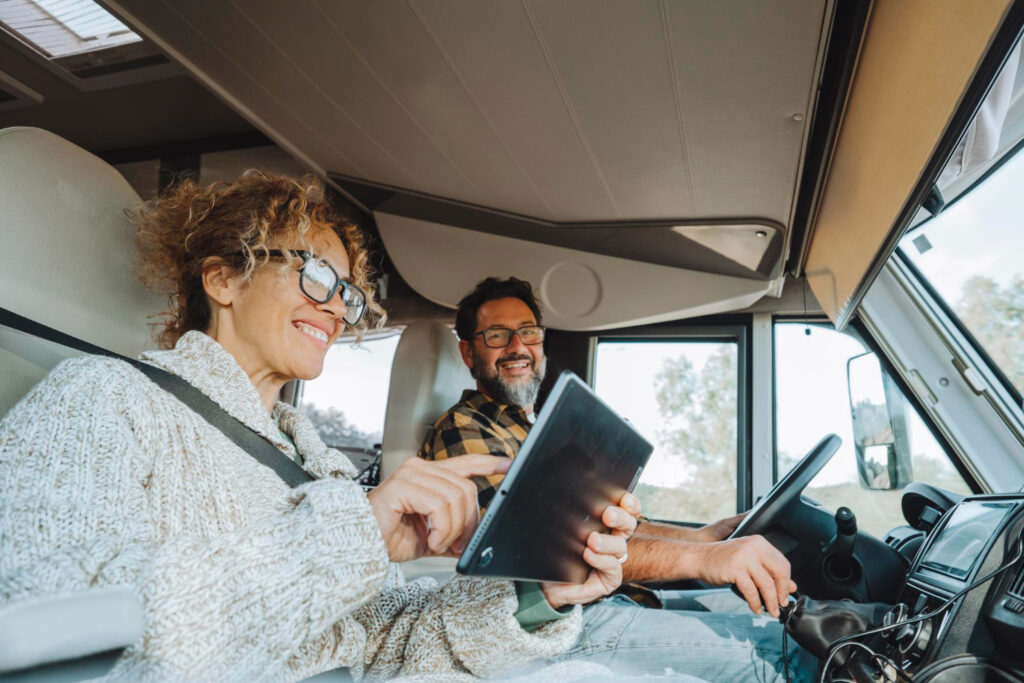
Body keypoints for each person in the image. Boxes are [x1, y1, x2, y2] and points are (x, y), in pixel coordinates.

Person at [0, 173, 637, 681]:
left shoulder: (318, 462)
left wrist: (540, 598)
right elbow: (39, 620)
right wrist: (346, 537)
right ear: (223, 277)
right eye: (316, 276)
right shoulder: (104, 397)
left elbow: (389, 642)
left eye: (348, 294)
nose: (336, 307)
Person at [420, 276, 819, 681]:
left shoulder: (536, 430)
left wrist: (702, 536)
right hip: (557, 626)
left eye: (528, 332)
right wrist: (701, 558)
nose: (518, 347)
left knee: (802, 620)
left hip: (609, 600)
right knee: (787, 656)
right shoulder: (463, 431)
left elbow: (596, 529)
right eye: (498, 335)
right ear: (468, 352)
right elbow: (538, 554)